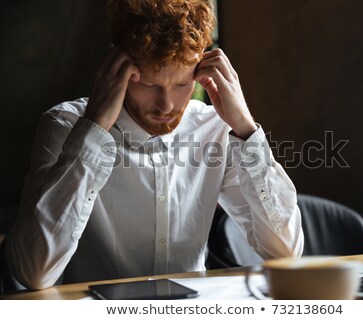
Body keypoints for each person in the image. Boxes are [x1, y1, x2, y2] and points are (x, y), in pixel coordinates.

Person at [6, 0, 303, 290]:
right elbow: (32, 273)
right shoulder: (64, 126)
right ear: (114, 65)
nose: (167, 106)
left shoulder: (216, 130)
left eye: (181, 84)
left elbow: (286, 253)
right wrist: (93, 130)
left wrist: (247, 130)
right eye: (148, 85)